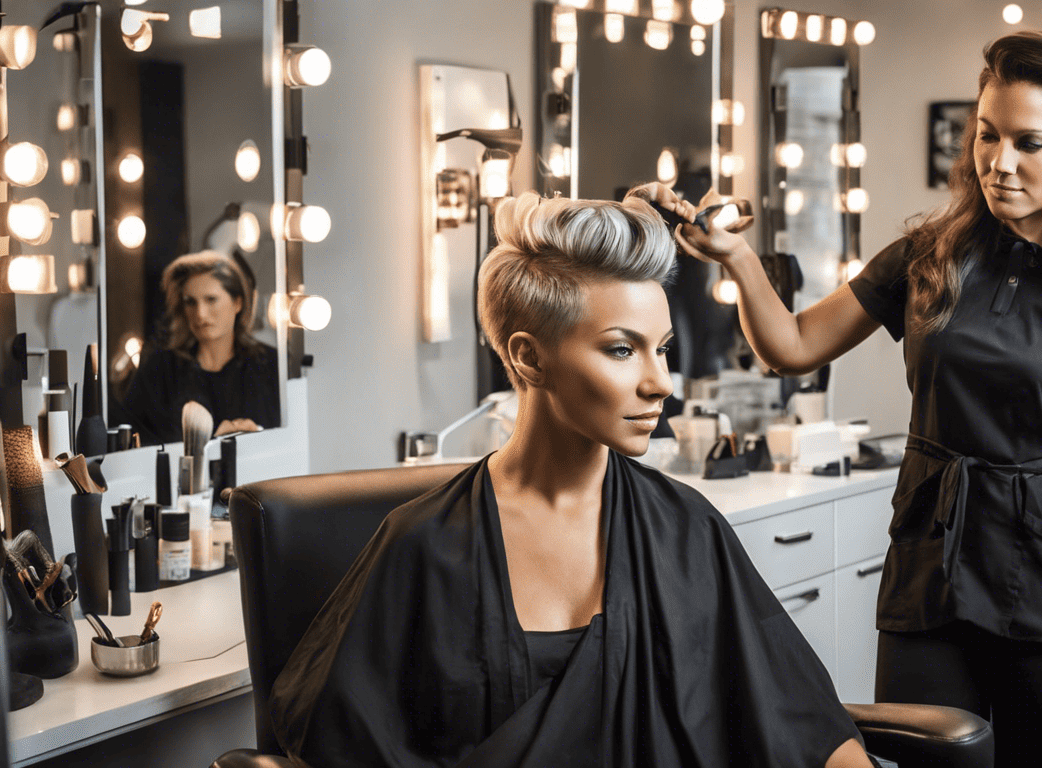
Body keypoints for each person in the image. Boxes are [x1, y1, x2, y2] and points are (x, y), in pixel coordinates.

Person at [673, 31, 1042, 767]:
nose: (999, 163)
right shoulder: (926, 256)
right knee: (924, 756)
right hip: (929, 564)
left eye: (1030, 142)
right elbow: (792, 347)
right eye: (987, 136)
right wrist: (739, 258)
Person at [269, 193, 874, 767]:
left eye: (662, 349)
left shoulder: (686, 529)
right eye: (621, 350)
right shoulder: (420, 545)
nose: (661, 382)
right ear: (529, 356)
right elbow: (342, 742)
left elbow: (804, 720)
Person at [120, 251, 280, 443]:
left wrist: (257, 435)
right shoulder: (159, 368)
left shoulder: (271, 365)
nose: (200, 314)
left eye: (211, 299)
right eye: (190, 302)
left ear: (238, 302)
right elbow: (129, 439)